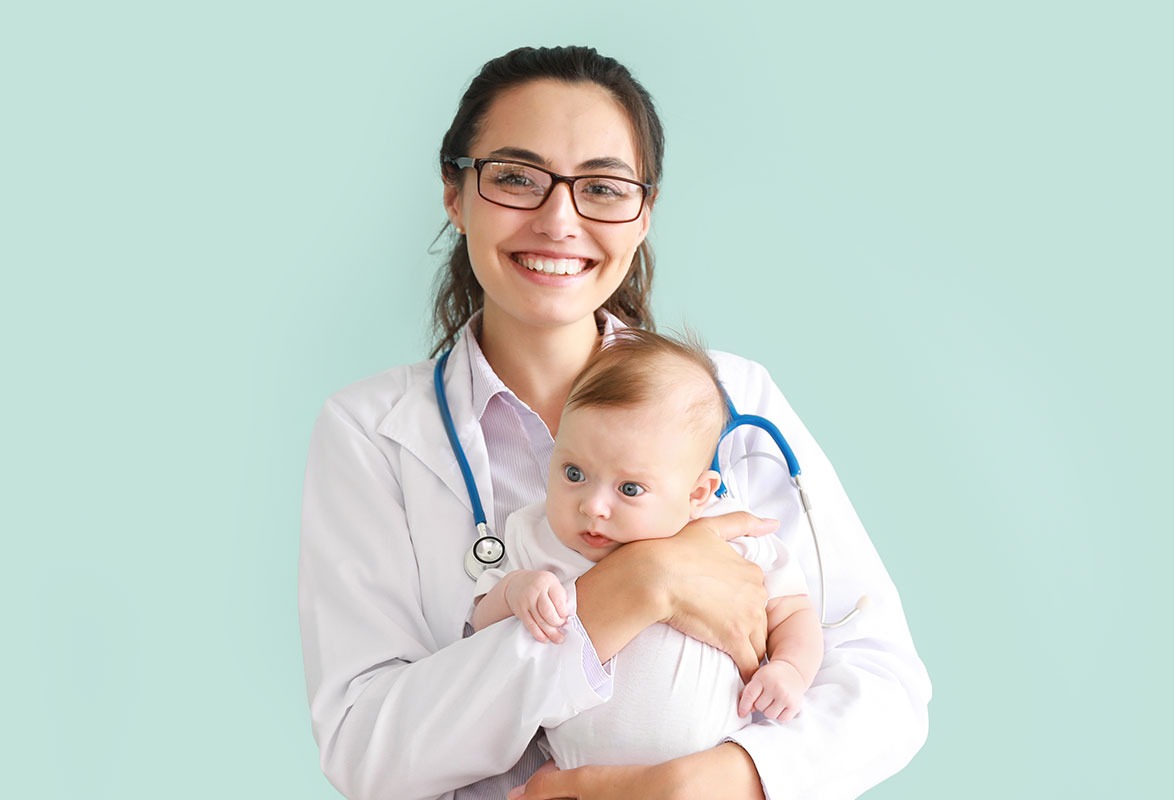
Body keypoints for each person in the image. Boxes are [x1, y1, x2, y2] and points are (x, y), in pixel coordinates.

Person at [299, 45, 931, 800]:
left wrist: (705, 784)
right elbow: (368, 750)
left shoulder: (734, 401)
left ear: (643, 215)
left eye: (602, 187)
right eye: (515, 178)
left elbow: (882, 682)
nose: (559, 219)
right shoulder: (373, 433)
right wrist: (638, 583)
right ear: (454, 194)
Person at [471, 329, 824, 768]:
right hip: (576, 777)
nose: (593, 506)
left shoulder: (730, 535)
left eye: (630, 488)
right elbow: (479, 625)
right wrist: (513, 592)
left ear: (697, 495)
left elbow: (793, 611)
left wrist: (790, 667)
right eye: (574, 473)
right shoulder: (535, 533)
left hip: (707, 775)